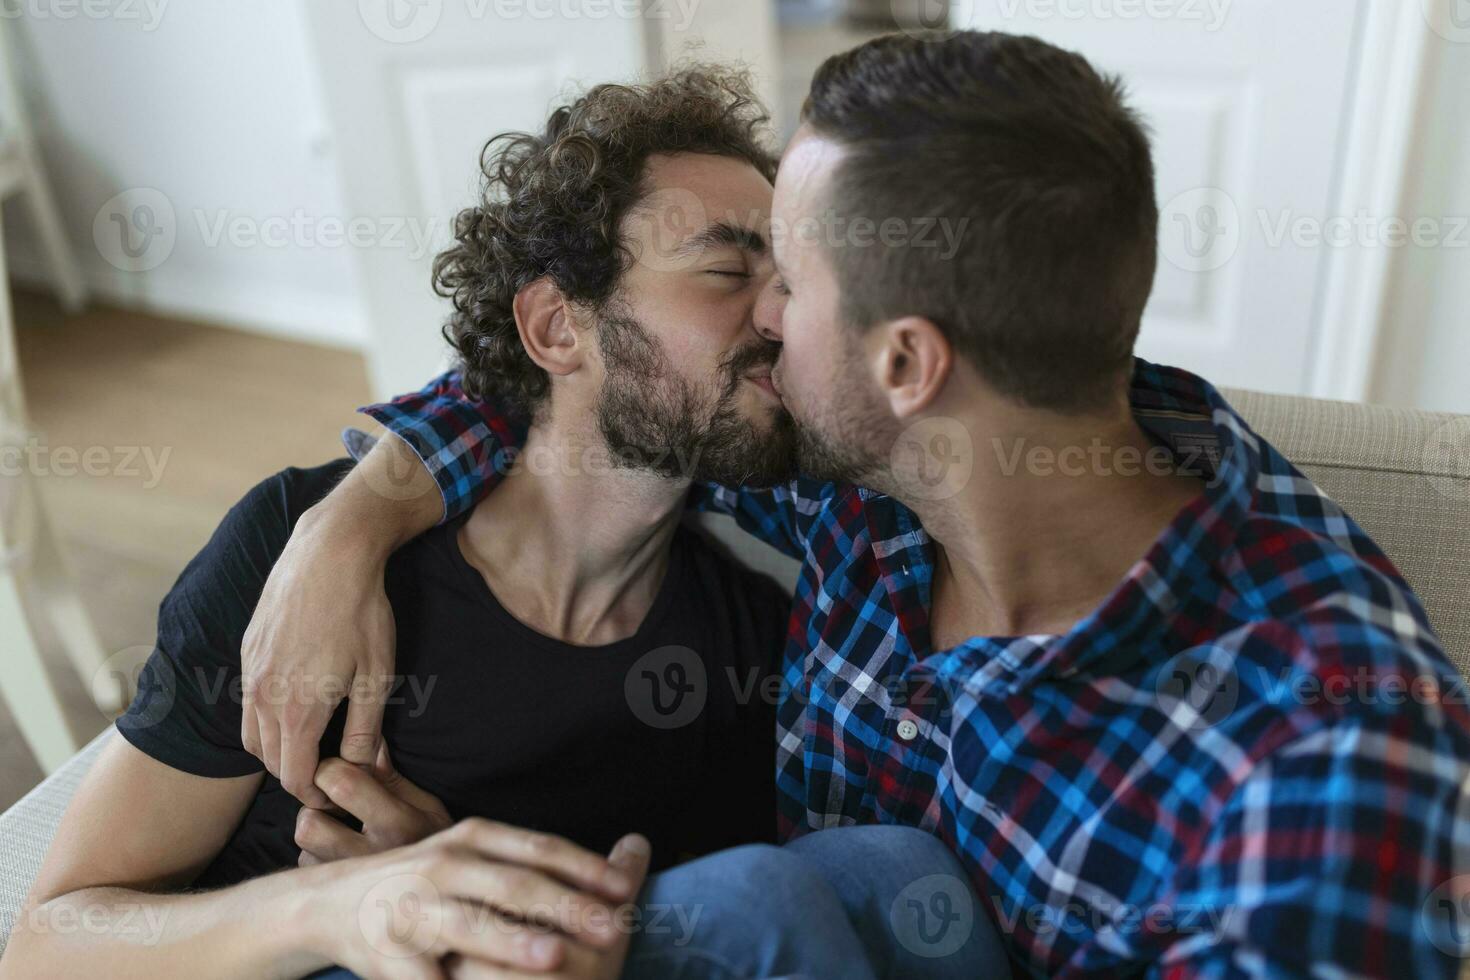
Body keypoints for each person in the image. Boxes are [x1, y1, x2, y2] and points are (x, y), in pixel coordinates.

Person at [239, 30, 1470, 978]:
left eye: (792, 277)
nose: (761, 317)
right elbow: (610, 378)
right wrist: (353, 513)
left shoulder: (1326, 758)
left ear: (904, 362)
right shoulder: (874, 482)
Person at [0, 66, 1002, 980]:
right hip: (305, 952)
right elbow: (46, 944)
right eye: (726, 270)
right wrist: (348, 903)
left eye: (786, 280)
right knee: (764, 894)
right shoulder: (304, 552)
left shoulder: (734, 639)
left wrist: (457, 885)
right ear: (559, 326)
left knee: (899, 869)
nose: (780, 315)